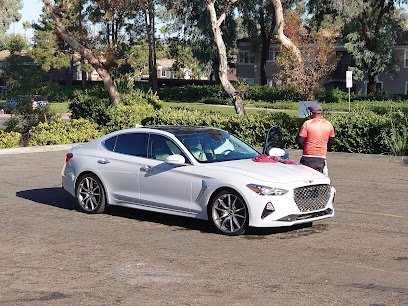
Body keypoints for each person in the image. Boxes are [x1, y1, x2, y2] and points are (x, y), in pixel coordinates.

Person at [297, 104, 335, 173]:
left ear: (311, 113)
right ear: (321, 113)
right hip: (321, 157)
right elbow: (331, 142)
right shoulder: (328, 125)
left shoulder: (307, 123)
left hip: (308, 156)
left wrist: (306, 148)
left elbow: (300, 141)